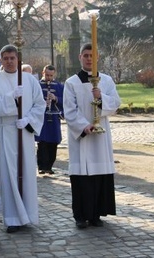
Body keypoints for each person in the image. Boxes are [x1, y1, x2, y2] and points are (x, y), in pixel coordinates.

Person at [0, 45, 45, 233]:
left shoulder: (29, 80)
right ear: (0, 60)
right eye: (6, 58)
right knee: (7, 173)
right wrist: (11, 97)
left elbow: (39, 103)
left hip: (24, 131)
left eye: (12, 58)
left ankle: (27, 214)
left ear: (18, 59)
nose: (10, 61)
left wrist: (28, 120)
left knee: (26, 172)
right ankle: (12, 218)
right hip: (5, 131)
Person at [63, 43, 121, 229]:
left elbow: (116, 103)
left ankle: (96, 214)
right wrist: (84, 126)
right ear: (80, 57)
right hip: (82, 137)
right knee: (82, 176)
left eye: (92, 55)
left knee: (99, 175)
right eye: (85, 55)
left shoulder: (106, 80)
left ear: (97, 58)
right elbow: (69, 110)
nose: (89, 58)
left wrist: (101, 96)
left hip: (101, 136)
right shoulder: (72, 82)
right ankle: (81, 215)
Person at [35, 65, 64, 175]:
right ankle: (41, 166)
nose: (49, 78)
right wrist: (43, 102)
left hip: (54, 118)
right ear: (43, 72)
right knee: (42, 142)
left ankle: (49, 166)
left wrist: (56, 99)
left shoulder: (59, 86)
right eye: (47, 75)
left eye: (51, 75)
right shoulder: (37, 85)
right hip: (42, 118)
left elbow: (65, 100)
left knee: (53, 142)